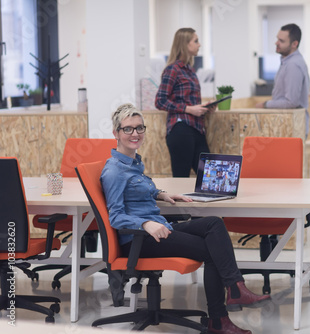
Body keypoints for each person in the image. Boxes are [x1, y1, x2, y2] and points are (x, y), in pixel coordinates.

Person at [101, 103, 270, 334]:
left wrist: (160, 194)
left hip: (158, 229)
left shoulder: (132, 163)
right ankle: (220, 319)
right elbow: (116, 216)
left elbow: (137, 191)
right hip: (139, 239)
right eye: (128, 129)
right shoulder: (114, 171)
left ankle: (235, 288)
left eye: (140, 128)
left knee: (214, 223)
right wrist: (146, 223)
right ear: (116, 133)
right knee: (213, 250)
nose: (135, 134)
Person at [155, 28, 215, 177]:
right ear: (185, 44)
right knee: (181, 179)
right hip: (181, 129)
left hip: (197, 129)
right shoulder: (172, 69)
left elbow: (190, 101)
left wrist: (206, 107)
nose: (199, 45)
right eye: (195, 41)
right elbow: (160, 101)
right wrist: (188, 109)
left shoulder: (190, 70)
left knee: (209, 177)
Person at [255, 23, 310, 136]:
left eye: (282, 41)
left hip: (292, 127)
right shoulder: (287, 62)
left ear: (294, 44)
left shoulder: (293, 65)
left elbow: (292, 102)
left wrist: (265, 104)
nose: (276, 43)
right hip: (288, 125)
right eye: (277, 39)